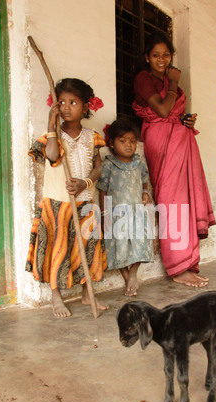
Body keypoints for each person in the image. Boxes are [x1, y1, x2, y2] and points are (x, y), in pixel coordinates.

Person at [132, 32, 216, 288]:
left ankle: (188, 261)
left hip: (180, 140)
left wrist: (186, 121)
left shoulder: (171, 84)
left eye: (166, 55)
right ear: (147, 57)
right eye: (156, 55)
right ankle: (177, 267)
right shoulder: (144, 78)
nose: (161, 59)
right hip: (160, 142)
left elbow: (173, 113)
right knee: (171, 200)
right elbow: (162, 110)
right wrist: (173, 82)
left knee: (185, 200)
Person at [26, 78, 108, 317]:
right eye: (61, 102)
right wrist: (51, 124)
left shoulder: (92, 136)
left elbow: (97, 167)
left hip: (85, 202)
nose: (65, 107)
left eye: (73, 102)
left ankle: (86, 293)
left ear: (85, 108)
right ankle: (56, 296)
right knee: (58, 248)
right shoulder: (54, 135)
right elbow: (52, 156)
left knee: (88, 247)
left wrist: (86, 182)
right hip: (57, 203)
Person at [97, 119, 154, 296]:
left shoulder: (139, 163)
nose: (128, 145)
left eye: (132, 141)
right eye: (122, 141)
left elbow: (144, 179)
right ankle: (126, 276)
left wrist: (145, 192)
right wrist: (105, 213)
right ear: (112, 144)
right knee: (118, 247)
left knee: (140, 243)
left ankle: (133, 273)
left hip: (137, 212)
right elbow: (102, 190)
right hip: (116, 215)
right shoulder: (108, 165)